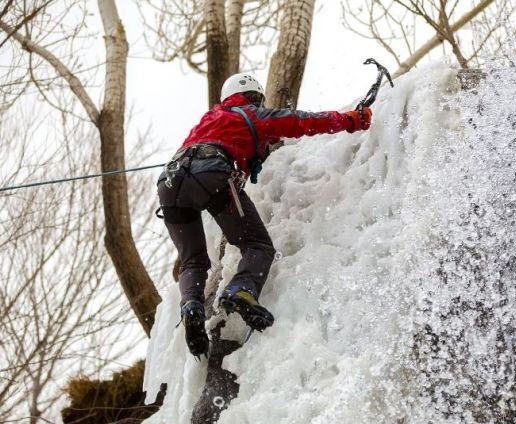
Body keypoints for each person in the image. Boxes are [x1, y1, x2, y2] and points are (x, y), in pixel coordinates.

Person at [158, 74, 373, 357]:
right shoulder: (253, 114)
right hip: (211, 175)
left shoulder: (209, 119)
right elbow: (302, 121)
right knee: (257, 246)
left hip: (170, 182)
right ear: (254, 97)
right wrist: (351, 120)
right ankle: (240, 290)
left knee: (192, 260)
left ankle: (191, 305)